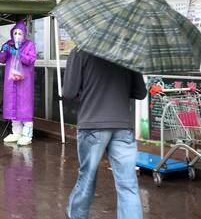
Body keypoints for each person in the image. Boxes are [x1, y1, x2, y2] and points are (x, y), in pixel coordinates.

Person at [63, 48, 147, 219]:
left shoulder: (80, 51)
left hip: (92, 124)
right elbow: (140, 92)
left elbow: (68, 92)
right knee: (128, 185)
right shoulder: (128, 53)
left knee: (87, 177)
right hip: (122, 126)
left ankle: (76, 216)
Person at [0, 20, 37, 146]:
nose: (17, 36)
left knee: (24, 106)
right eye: (15, 33)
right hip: (11, 82)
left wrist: (19, 54)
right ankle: (16, 132)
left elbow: (31, 60)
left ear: (25, 34)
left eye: (20, 33)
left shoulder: (30, 45)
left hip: (25, 82)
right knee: (12, 105)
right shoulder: (8, 44)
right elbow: (1, 59)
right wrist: (4, 50)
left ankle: (27, 134)